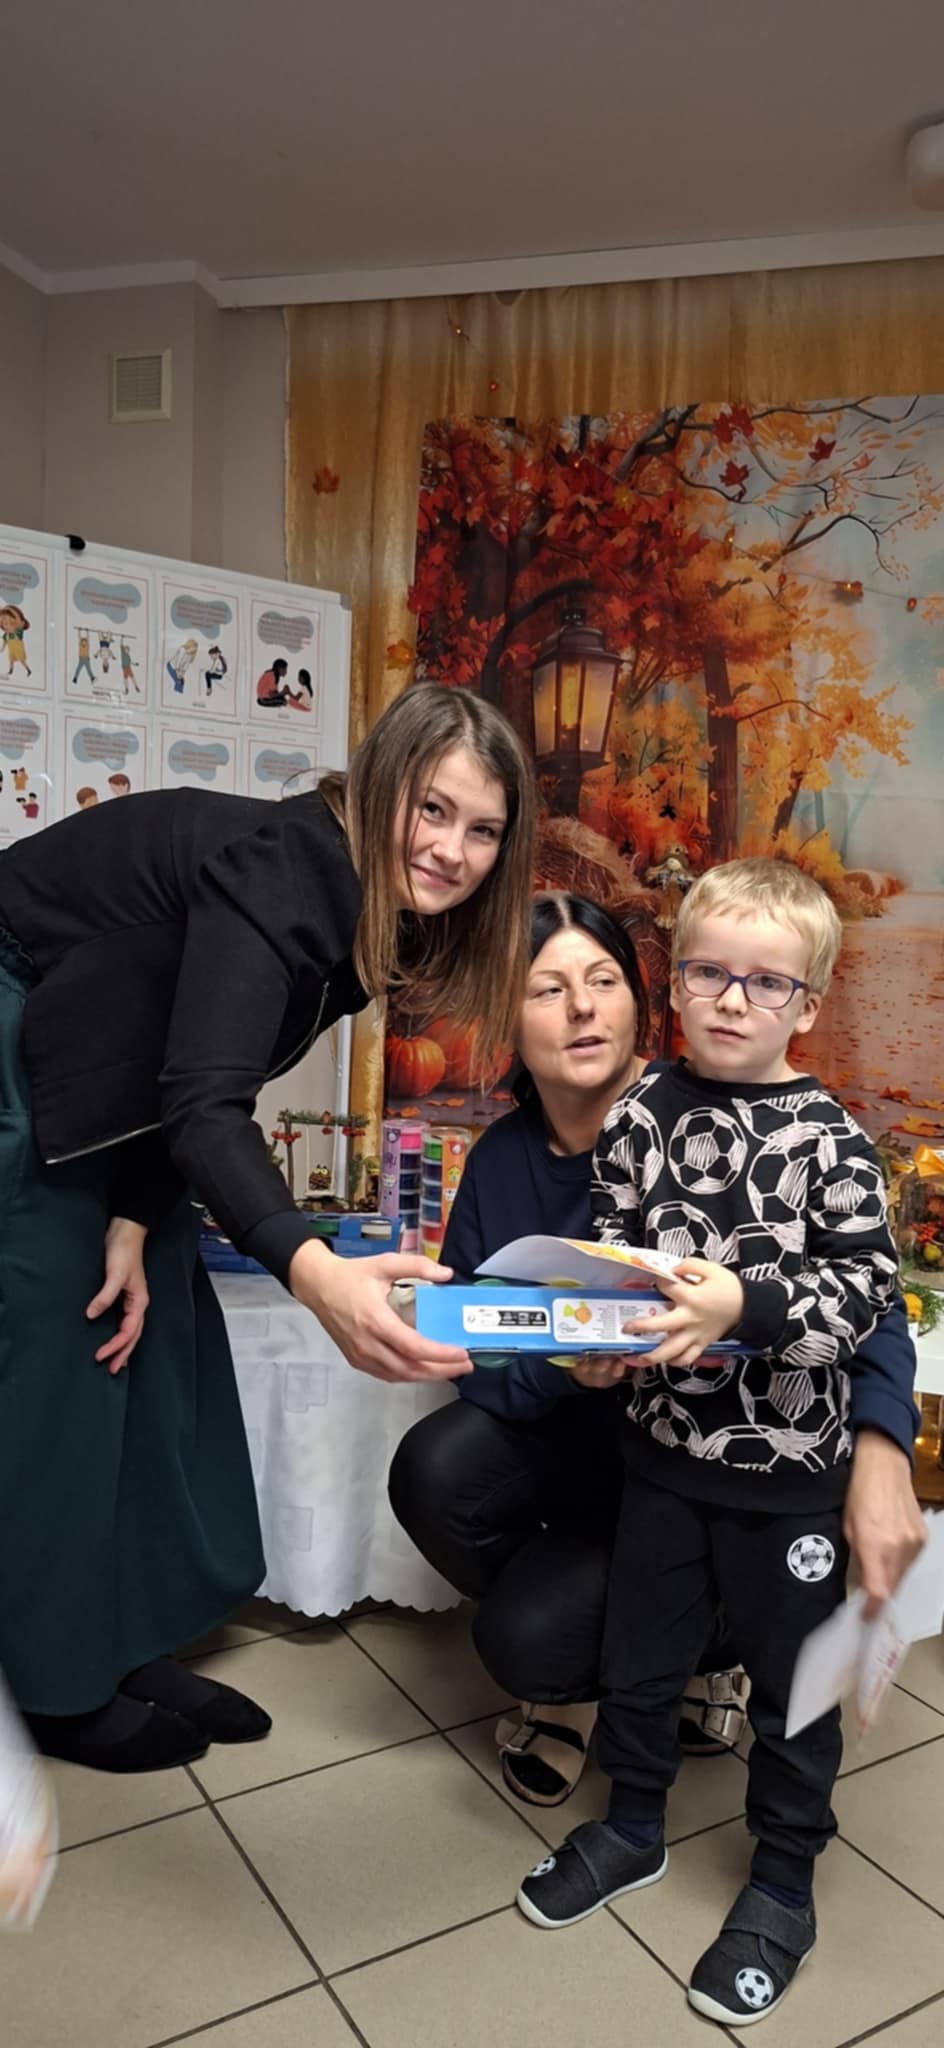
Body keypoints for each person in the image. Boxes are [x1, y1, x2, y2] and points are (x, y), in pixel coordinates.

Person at [0, 681, 535, 1775]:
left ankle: (124, 1640)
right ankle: (55, 1683)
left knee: (159, 1329)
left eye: (482, 829)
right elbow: (204, 1102)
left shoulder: (376, 908)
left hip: (100, 1054)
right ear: (380, 785)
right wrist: (314, 1270)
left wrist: (137, 1214)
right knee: (65, 1348)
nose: (452, 850)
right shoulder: (296, 865)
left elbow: (182, 1058)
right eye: (432, 809)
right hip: (18, 1016)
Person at [390, 892, 921, 1807]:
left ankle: (710, 1651)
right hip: (602, 1429)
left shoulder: (737, 1112)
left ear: (645, 999)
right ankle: (611, 1653)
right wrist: (560, 1357)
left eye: (602, 981)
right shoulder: (504, 1160)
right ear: (504, 1019)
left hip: (728, 1445)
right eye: (546, 989)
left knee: (550, 1628)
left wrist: (882, 1452)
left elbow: (865, 1300)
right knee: (438, 1473)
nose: (581, 1009)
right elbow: (481, 1341)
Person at [515, 857, 918, 2029]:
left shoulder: (831, 1141)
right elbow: (613, 1255)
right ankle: (631, 1823)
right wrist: (597, 1342)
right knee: (640, 1661)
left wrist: (746, 1304)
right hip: (659, 1460)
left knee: (793, 1691)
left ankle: (782, 1879)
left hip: (789, 1481)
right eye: (707, 972)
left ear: (806, 1002)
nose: (732, 999)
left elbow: (862, 1300)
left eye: (765, 981)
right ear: (675, 979)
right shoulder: (638, 1113)